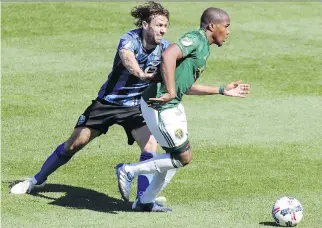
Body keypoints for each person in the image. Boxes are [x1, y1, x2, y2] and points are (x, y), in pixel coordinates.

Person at [10, 1, 175, 202]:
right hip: (107, 103)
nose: (163, 30)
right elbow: (127, 58)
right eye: (159, 25)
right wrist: (141, 74)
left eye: (165, 25)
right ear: (145, 24)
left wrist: (215, 89)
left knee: (150, 145)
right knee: (74, 144)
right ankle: (35, 180)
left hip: (135, 107)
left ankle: (144, 198)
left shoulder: (165, 49)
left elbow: (175, 76)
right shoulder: (130, 39)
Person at [116, 7, 251, 212]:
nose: (229, 31)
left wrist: (222, 90)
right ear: (212, 26)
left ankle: (145, 202)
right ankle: (128, 170)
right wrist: (170, 91)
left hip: (172, 104)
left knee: (173, 157)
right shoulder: (195, 39)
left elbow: (185, 87)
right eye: (227, 26)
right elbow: (168, 56)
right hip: (159, 105)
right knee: (183, 157)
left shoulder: (204, 47)